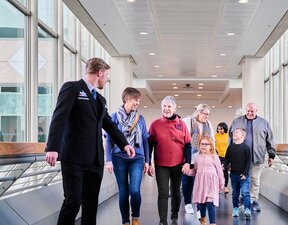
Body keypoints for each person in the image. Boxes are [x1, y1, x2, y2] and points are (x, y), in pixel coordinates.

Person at [44, 57, 135, 225]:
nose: (106, 80)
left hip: (95, 161)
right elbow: (59, 117)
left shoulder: (100, 100)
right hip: (74, 158)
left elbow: (108, 124)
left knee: (91, 203)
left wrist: (124, 144)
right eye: (106, 75)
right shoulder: (72, 88)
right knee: (73, 201)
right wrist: (52, 147)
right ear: (100, 73)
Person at [105, 87, 149, 225]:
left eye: (139, 100)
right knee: (123, 191)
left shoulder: (140, 119)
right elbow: (108, 139)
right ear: (126, 99)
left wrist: (148, 160)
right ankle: (125, 221)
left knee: (135, 190)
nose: (138, 103)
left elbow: (145, 140)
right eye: (135, 100)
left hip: (137, 158)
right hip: (118, 158)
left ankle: (135, 217)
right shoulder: (113, 117)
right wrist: (108, 160)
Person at [148, 96, 192, 225]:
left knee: (175, 192)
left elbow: (188, 144)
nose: (166, 109)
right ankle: (162, 221)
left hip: (178, 164)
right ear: (161, 107)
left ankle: (174, 216)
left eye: (169, 106)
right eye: (164, 106)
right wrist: (148, 162)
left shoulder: (182, 124)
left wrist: (187, 162)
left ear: (174, 108)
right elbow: (149, 144)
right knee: (163, 192)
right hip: (161, 164)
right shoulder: (155, 124)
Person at [229, 102, 275, 212]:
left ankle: (253, 200)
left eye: (252, 111)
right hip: (240, 158)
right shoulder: (237, 121)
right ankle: (241, 198)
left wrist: (271, 155)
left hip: (257, 157)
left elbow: (270, 140)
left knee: (255, 180)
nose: (250, 113)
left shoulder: (264, 123)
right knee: (241, 179)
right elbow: (230, 138)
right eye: (248, 111)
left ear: (256, 111)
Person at [181, 103, 214, 214]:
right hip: (189, 158)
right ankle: (187, 204)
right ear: (198, 112)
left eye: (208, 114)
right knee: (187, 183)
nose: (207, 117)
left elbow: (212, 140)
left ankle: (199, 206)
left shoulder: (208, 124)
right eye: (205, 114)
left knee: (200, 184)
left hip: (202, 159)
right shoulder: (187, 121)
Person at [184, 136, 224, 225]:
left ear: (211, 146)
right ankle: (203, 220)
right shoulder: (198, 158)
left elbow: (220, 172)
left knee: (210, 203)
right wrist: (187, 172)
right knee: (201, 203)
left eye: (206, 144)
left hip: (211, 184)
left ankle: (213, 223)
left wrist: (222, 184)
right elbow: (194, 171)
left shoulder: (214, 157)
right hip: (200, 184)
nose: (203, 146)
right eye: (202, 144)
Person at [225, 128, 251, 220]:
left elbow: (248, 162)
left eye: (237, 132)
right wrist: (225, 165)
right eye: (234, 132)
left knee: (245, 193)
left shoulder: (246, 148)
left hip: (244, 175)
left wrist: (245, 173)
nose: (234, 133)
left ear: (242, 136)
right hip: (234, 175)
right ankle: (235, 208)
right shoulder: (231, 147)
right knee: (235, 193)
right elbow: (227, 159)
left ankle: (247, 210)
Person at [214, 122, 230, 194]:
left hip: (226, 157)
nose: (219, 130)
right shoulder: (215, 135)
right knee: (217, 172)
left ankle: (225, 187)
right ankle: (218, 187)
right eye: (218, 129)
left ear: (225, 129)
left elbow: (229, 146)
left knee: (225, 172)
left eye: (221, 129)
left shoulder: (228, 136)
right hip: (217, 156)